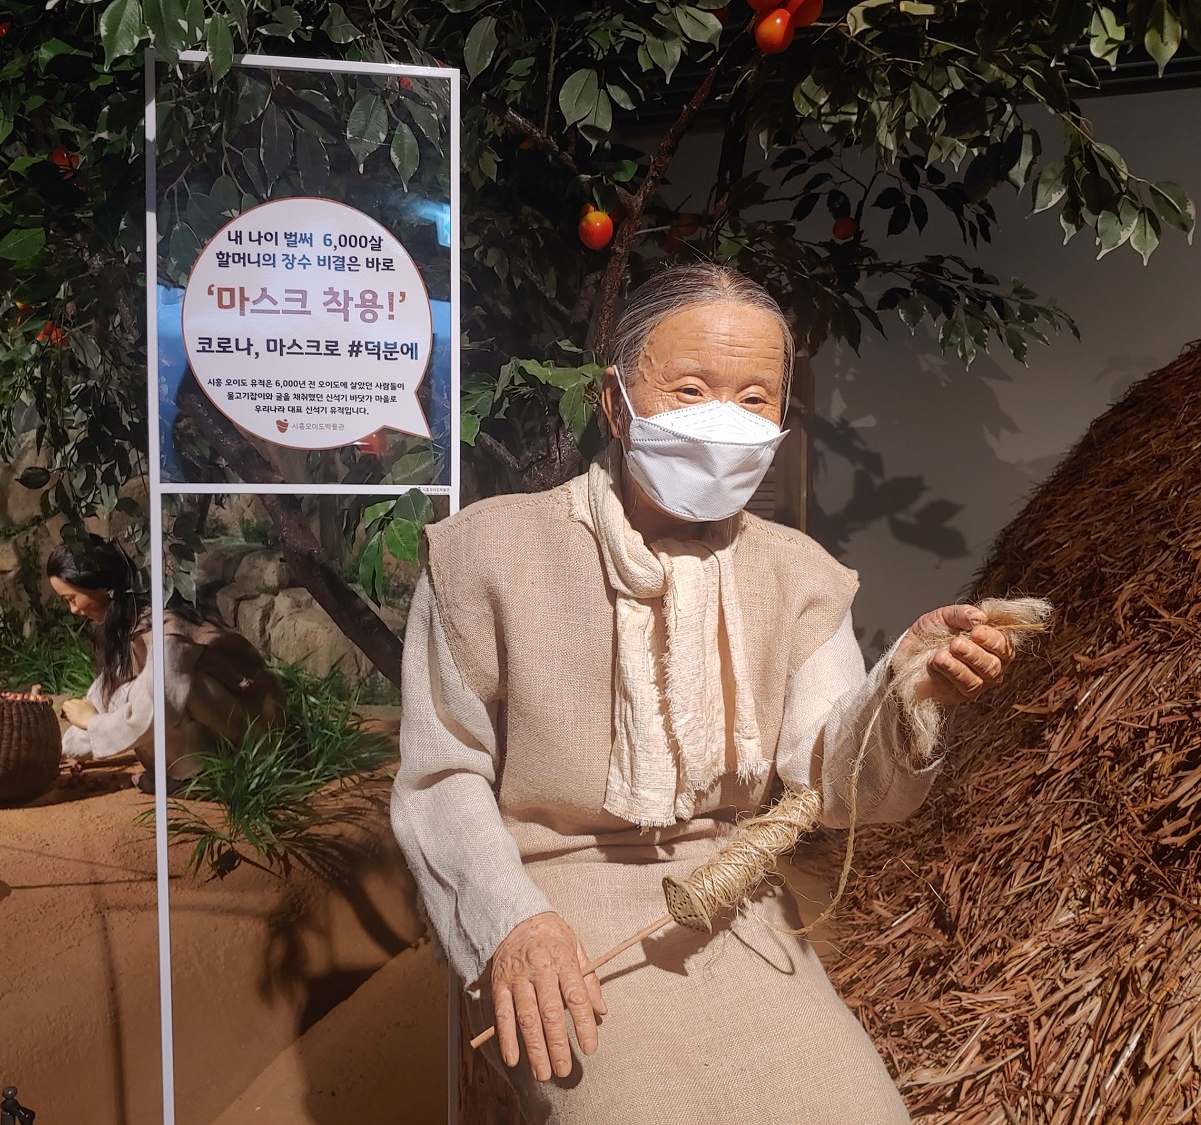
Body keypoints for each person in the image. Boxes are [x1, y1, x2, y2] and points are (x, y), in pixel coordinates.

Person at [390, 264, 1019, 1124]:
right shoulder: (486, 555)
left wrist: (907, 689)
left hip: (732, 893)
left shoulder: (798, 575)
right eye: (689, 389)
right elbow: (442, 775)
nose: (724, 418)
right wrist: (509, 922)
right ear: (616, 404)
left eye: (755, 398)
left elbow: (828, 781)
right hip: (553, 902)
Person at [46, 538, 286, 792]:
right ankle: (186, 772)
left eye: (72, 598)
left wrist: (93, 723)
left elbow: (161, 705)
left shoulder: (167, 628)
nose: (73, 610)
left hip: (255, 727)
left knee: (154, 693)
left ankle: (201, 777)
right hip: (221, 716)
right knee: (127, 691)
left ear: (102, 586)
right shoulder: (132, 619)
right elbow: (109, 689)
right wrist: (64, 748)